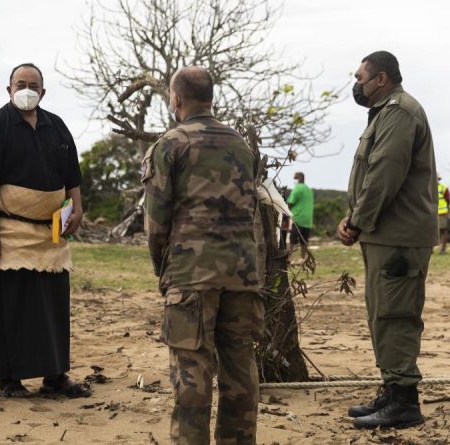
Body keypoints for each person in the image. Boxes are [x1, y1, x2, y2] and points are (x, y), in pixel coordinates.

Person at [143, 66, 262, 444]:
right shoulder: (241, 145)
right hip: (243, 275)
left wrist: (163, 268)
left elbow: (156, 220)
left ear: (175, 99)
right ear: (212, 98)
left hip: (191, 274)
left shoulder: (171, 144)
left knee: (191, 375)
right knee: (240, 372)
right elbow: (254, 211)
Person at [0, 62, 90, 398]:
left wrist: (76, 209)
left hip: (51, 235)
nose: (26, 89)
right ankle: (10, 379)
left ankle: (55, 375)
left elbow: (72, 178)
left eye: (33, 85)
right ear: (8, 89)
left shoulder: (57, 127)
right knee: (11, 305)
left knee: (52, 307)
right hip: (7, 232)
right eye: (20, 83)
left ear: (43, 92)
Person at [338, 51, 437, 429]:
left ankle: (404, 403)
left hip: (398, 236)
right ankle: (392, 390)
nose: (356, 84)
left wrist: (357, 221)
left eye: (360, 77)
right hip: (387, 235)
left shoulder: (399, 112)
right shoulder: (386, 113)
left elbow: (384, 174)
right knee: (383, 313)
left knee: (395, 316)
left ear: (381, 79)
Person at [286, 171, 314, 261]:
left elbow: (290, 203)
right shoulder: (309, 190)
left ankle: (289, 257)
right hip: (308, 220)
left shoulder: (297, 188)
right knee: (304, 241)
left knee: (292, 240)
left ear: (300, 178)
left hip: (297, 218)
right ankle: (303, 258)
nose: (294, 180)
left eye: (295, 178)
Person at [437, 176, 450, 254]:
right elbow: (448, 200)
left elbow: (448, 200)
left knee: (442, 231)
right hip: (435, 213)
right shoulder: (430, 187)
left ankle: (442, 249)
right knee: (440, 231)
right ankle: (439, 249)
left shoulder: (443, 188)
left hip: (440, 213)